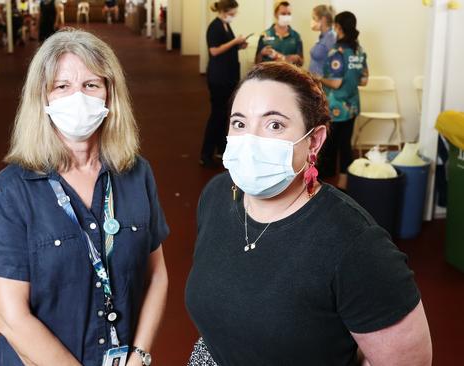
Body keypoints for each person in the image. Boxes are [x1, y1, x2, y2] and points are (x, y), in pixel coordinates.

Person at [185, 62, 432, 365]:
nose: (250, 140)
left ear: (314, 141)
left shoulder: (354, 244)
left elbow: (407, 361)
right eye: (239, 123)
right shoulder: (217, 195)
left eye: (274, 124)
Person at [0, 29, 169, 366]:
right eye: (62, 86)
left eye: (91, 85)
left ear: (110, 96)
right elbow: (10, 316)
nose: (77, 97)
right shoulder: (11, 191)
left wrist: (139, 355)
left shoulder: (137, 174)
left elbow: (156, 275)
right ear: (43, 99)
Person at [319, 11, 369, 189]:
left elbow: (335, 82)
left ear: (338, 27)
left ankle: (329, 181)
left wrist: (317, 77)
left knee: (331, 143)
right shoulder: (359, 50)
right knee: (345, 143)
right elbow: (364, 80)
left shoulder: (337, 51)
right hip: (353, 105)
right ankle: (343, 182)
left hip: (336, 106)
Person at [199, 0, 247, 168]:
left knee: (224, 114)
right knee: (217, 115)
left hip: (228, 75)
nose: (234, 16)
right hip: (218, 77)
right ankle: (206, 153)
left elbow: (226, 48)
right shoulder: (215, 26)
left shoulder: (226, 26)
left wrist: (239, 46)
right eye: (232, 13)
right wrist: (234, 42)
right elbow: (214, 50)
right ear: (225, 11)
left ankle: (221, 148)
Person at [255, 1, 303, 66]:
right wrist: (262, 53)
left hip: (288, 74)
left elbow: (301, 62)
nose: (286, 16)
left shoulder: (296, 36)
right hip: (270, 74)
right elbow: (257, 62)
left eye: (289, 14)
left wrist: (296, 59)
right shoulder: (265, 35)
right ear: (275, 14)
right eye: (283, 14)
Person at [309, 4, 336, 77]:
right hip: (315, 82)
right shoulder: (323, 37)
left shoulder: (331, 38)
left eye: (314, 18)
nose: (312, 21)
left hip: (324, 83)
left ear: (323, 19)